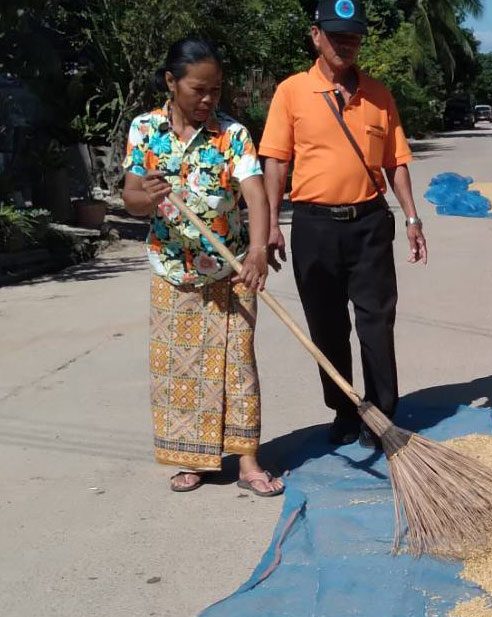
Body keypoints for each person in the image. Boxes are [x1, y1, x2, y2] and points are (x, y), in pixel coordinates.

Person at [259, 0, 426, 447]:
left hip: (369, 223)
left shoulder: (379, 94)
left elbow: (397, 162)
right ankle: (345, 409)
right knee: (326, 323)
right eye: (337, 36)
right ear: (316, 36)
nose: (345, 45)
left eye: (352, 37)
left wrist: (411, 216)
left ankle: (382, 412)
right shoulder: (292, 92)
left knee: (376, 319)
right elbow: (275, 161)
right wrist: (272, 223)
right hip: (314, 226)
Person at [121, 37, 283, 497]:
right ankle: (193, 461)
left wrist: (256, 251)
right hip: (173, 271)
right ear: (172, 83)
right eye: (198, 90)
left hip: (231, 271)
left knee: (238, 365)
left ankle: (248, 462)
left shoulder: (231, 134)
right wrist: (144, 198)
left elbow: (254, 192)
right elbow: (130, 196)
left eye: (215, 90)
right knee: (182, 369)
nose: (208, 99)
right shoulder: (144, 129)